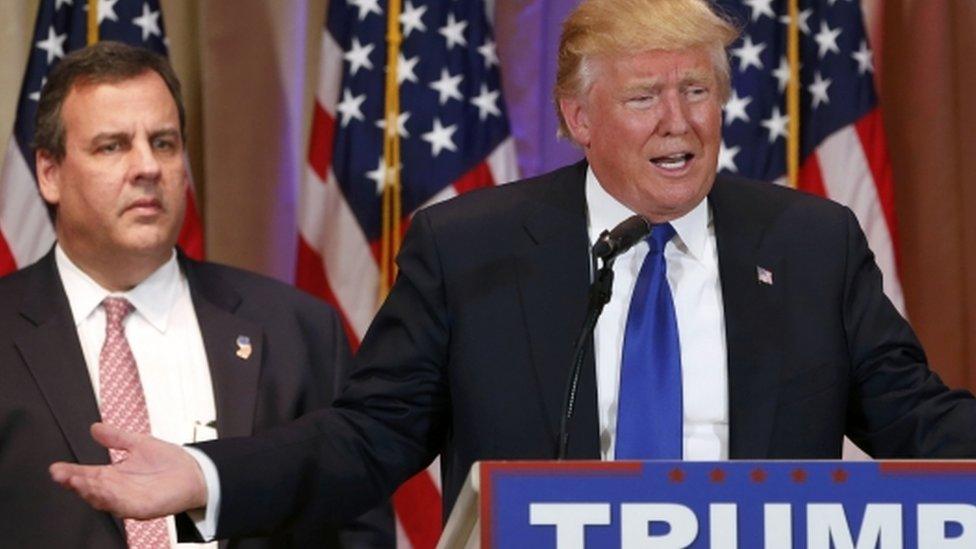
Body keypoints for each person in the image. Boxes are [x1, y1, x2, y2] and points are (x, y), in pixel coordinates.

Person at [50, 0, 976, 542]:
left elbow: (917, 416)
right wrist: (204, 478)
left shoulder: (809, 242)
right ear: (578, 119)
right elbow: (367, 439)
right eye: (647, 97)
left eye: (698, 91)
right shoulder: (469, 246)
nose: (680, 123)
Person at [1, 41, 393, 548]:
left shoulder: (297, 331)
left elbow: (355, 527)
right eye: (112, 145)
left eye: (164, 143)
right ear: (49, 173)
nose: (147, 167)